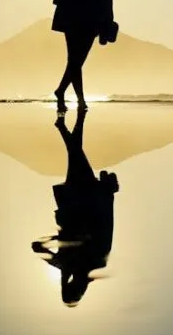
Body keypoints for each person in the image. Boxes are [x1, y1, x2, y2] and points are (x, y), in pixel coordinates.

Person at [31, 109, 119, 307]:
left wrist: (108, 195)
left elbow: (106, 225)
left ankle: (68, 123)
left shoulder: (89, 264)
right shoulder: (76, 264)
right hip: (80, 200)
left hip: (84, 199)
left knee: (75, 153)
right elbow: (106, 226)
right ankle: (67, 123)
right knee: (75, 153)